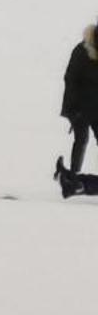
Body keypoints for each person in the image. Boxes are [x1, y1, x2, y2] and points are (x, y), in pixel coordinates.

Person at [57, 21, 98, 193]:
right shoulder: (82, 51)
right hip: (79, 107)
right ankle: (74, 176)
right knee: (81, 139)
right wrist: (73, 109)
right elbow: (70, 79)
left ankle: (75, 181)